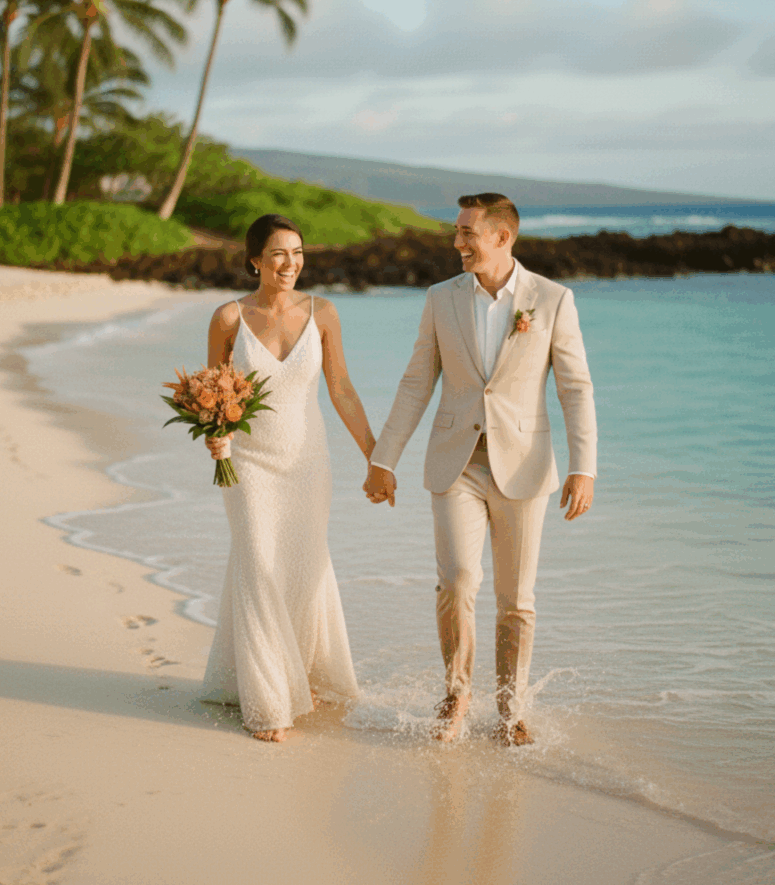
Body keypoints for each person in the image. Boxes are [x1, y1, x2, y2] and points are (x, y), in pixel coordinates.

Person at [364, 193, 597, 746]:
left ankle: (511, 709)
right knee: (458, 582)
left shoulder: (553, 300)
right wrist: (383, 459)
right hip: (456, 463)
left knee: (516, 599)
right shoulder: (441, 298)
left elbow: (575, 387)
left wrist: (584, 467)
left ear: (502, 237)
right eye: (457, 231)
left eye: (468, 233)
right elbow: (417, 381)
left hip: (526, 465)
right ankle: (456, 694)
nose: (457, 243)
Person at [203, 213, 376, 743]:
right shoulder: (229, 318)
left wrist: (376, 457)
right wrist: (214, 437)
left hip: (307, 464)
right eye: (279, 253)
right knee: (257, 563)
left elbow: (341, 388)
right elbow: (213, 392)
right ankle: (270, 702)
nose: (290, 264)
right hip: (249, 464)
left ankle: (299, 674)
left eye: (298, 253)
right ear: (255, 259)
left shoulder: (323, 313)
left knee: (302, 569)